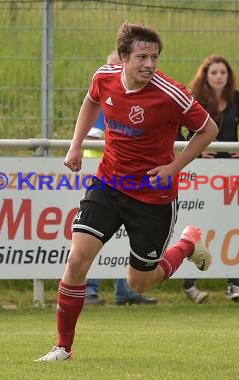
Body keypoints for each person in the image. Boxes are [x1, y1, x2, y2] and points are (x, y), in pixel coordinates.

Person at [35, 22, 218, 362]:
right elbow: (91, 102)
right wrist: (75, 147)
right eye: (142, 57)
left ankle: (187, 244)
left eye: (155, 57)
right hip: (108, 184)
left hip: (153, 197)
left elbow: (209, 128)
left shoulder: (170, 93)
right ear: (123, 58)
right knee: (76, 260)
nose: (149, 64)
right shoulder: (104, 77)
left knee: (140, 284)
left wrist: (173, 167)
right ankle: (63, 347)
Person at [182, 55, 239, 303]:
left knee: (233, 224)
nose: (219, 76)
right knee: (197, 225)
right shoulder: (194, 99)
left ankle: (236, 284)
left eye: (223, 72)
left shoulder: (235, 99)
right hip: (201, 171)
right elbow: (174, 126)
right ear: (205, 76)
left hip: (230, 171)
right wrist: (194, 149)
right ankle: (190, 285)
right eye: (214, 72)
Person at [83, 52, 158, 307]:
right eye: (112, 66)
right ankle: (90, 290)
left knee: (129, 238)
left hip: (130, 180)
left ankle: (124, 290)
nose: (116, 71)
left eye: (118, 66)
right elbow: (92, 136)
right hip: (102, 176)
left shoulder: (143, 99)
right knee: (91, 239)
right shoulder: (105, 94)